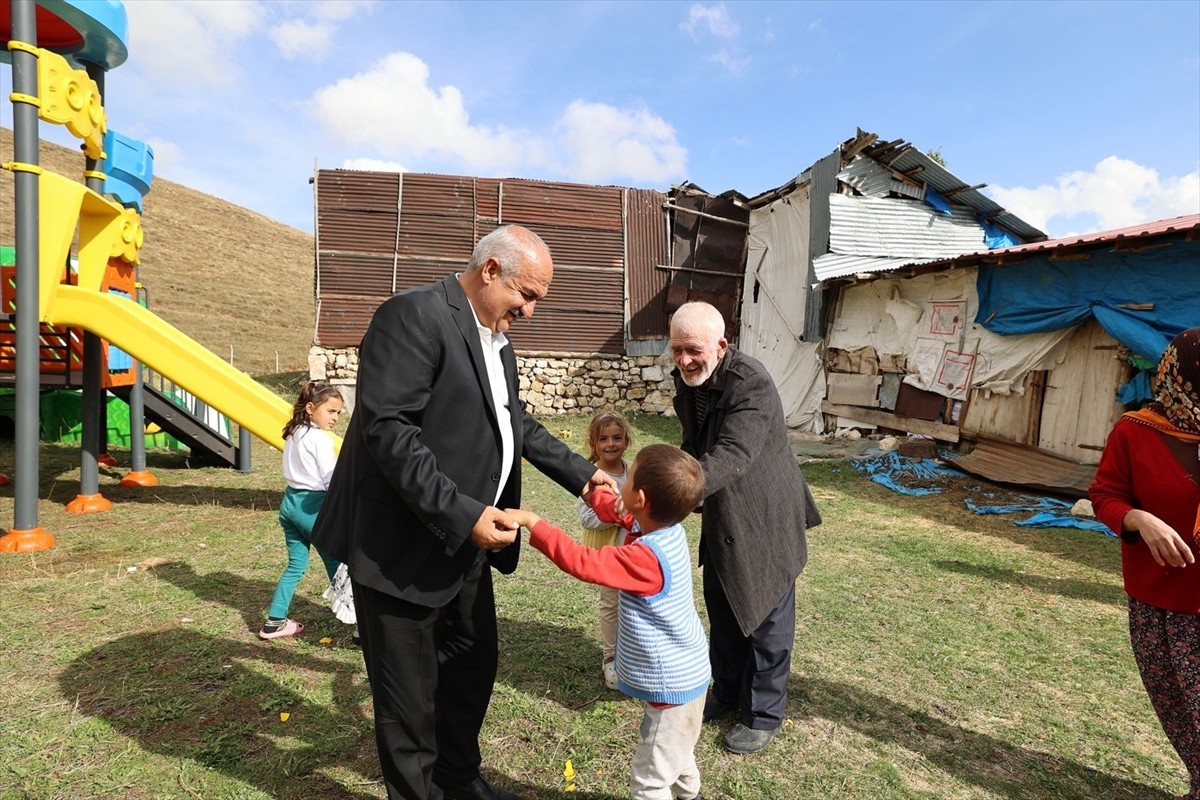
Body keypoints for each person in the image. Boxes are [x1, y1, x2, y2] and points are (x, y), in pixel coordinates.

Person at [311, 225, 615, 800]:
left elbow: (513, 422)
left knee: (472, 666)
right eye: (526, 295)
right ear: (491, 270)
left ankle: (457, 776)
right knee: (406, 698)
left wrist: (581, 473)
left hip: (469, 541)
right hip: (400, 546)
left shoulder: (496, 338)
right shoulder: (412, 317)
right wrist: (461, 513)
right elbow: (390, 432)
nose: (528, 311)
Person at [507, 443, 710, 800]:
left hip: (671, 687)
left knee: (650, 781)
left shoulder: (645, 557)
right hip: (690, 676)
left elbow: (584, 562)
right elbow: (614, 508)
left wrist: (534, 523)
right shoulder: (665, 528)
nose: (621, 482)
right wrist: (589, 487)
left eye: (627, 479)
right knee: (678, 754)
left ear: (641, 499)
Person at [668, 300, 822, 755]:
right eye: (675, 350)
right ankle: (729, 690)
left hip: (765, 512)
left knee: (767, 615)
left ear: (721, 344)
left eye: (692, 349)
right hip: (723, 510)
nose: (683, 360)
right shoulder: (688, 381)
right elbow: (693, 444)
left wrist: (676, 492)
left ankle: (762, 713)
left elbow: (734, 453)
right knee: (723, 604)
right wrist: (678, 473)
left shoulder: (749, 382)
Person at [1090, 326, 1200, 800]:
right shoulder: (1136, 432)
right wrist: (1138, 519)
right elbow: (1105, 496)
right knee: (1179, 710)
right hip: (1159, 600)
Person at [260, 381, 344, 639]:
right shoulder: (319, 439)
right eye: (331, 411)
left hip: (290, 505)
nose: (336, 418)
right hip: (313, 508)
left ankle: (274, 621)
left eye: (339, 413)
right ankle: (362, 627)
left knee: (296, 565)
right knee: (341, 567)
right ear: (310, 407)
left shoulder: (295, 431)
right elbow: (332, 481)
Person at [576, 409, 635, 690]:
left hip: (634, 556)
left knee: (633, 606)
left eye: (617, 438)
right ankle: (610, 658)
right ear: (594, 444)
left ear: (626, 441)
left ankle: (631, 656)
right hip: (608, 556)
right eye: (604, 439)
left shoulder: (633, 472)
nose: (611, 444)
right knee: (611, 605)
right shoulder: (589, 477)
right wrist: (615, 512)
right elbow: (587, 517)